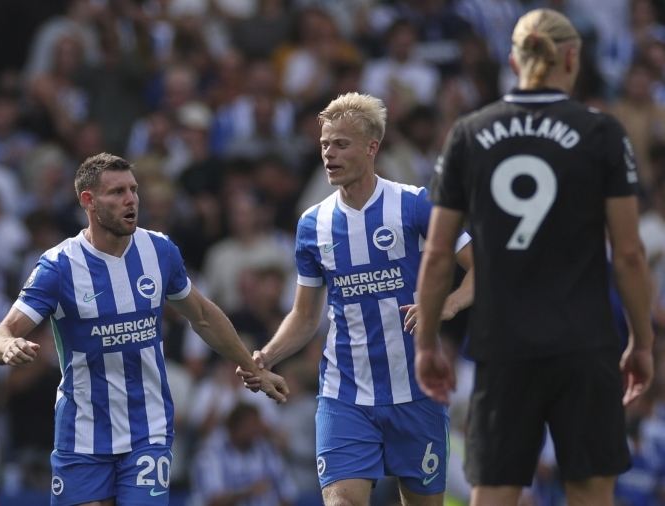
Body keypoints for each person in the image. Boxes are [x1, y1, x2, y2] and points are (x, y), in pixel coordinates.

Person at [413, 9, 655, 506]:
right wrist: (642, 341)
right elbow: (629, 254)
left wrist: (428, 342)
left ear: (512, 61)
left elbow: (437, 255)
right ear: (572, 58)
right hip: (584, 343)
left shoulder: (469, 132)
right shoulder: (602, 133)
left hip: (504, 347)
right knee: (591, 494)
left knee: (494, 494)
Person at [0, 152, 289, 506]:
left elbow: (203, 316)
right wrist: (7, 347)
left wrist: (254, 368)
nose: (131, 200)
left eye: (133, 189)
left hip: (148, 431)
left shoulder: (159, 250)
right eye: (117, 192)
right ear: (89, 201)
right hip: (83, 433)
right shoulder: (59, 266)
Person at [240, 92, 475, 506]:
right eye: (324, 144)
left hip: (417, 392)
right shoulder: (312, 224)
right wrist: (268, 355)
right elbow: (305, 315)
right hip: (345, 394)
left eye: (341, 144)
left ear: (371, 147)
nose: (329, 154)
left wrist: (449, 304)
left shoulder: (414, 204)